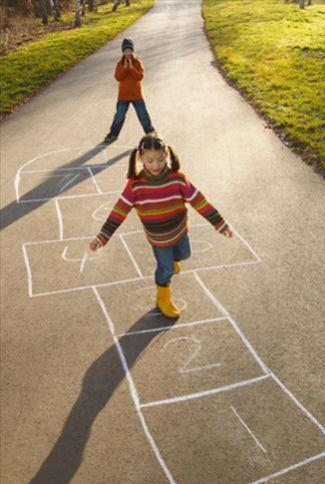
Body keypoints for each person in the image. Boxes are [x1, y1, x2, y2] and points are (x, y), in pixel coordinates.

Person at [90, 134, 233, 318]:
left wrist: (220, 224)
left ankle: (174, 262)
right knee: (165, 269)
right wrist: (102, 237)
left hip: (179, 230)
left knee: (185, 254)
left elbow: (199, 201)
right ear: (141, 158)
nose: (155, 165)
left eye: (160, 160)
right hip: (158, 238)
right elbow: (119, 212)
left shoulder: (178, 179)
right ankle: (162, 299)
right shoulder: (135, 186)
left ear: (166, 154)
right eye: (149, 161)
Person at [104, 38, 155, 144]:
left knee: (143, 114)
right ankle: (113, 134)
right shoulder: (120, 63)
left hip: (136, 94)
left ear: (132, 51)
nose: (127, 53)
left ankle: (151, 134)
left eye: (129, 50)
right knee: (119, 116)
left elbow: (139, 77)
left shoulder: (137, 62)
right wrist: (125, 68)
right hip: (123, 95)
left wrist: (131, 68)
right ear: (123, 52)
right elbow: (118, 77)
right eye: (125, 51)